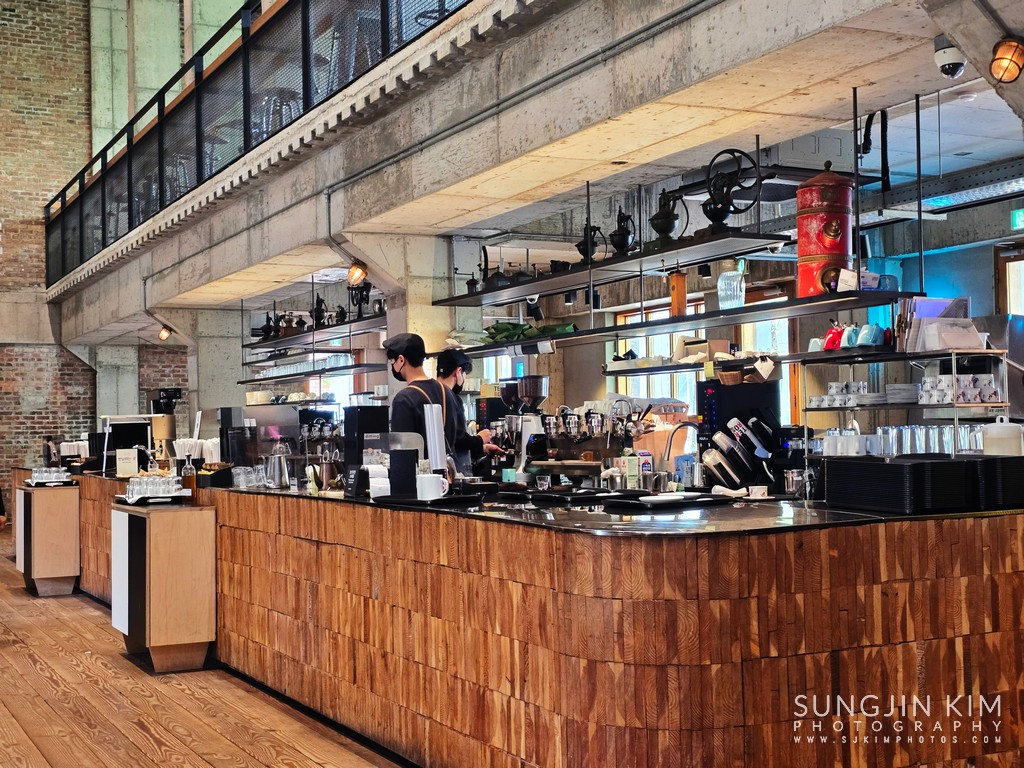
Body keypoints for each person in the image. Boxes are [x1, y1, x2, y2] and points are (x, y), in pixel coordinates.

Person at [383, 333, 459, 462]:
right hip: (447, 469)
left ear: (401, 360)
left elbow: (402, 453)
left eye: (392, 361)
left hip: (419, 472)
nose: (392, 366)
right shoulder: (447, 392)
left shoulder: (404, 399)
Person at [435, 348, 504, 476]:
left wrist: (481, 448)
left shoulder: (431, 394)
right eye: (465, 374)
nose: (464, 378)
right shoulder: (451, 398)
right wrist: (479, 439)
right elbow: (458, 439)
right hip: (455, 473)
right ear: (458, 372)